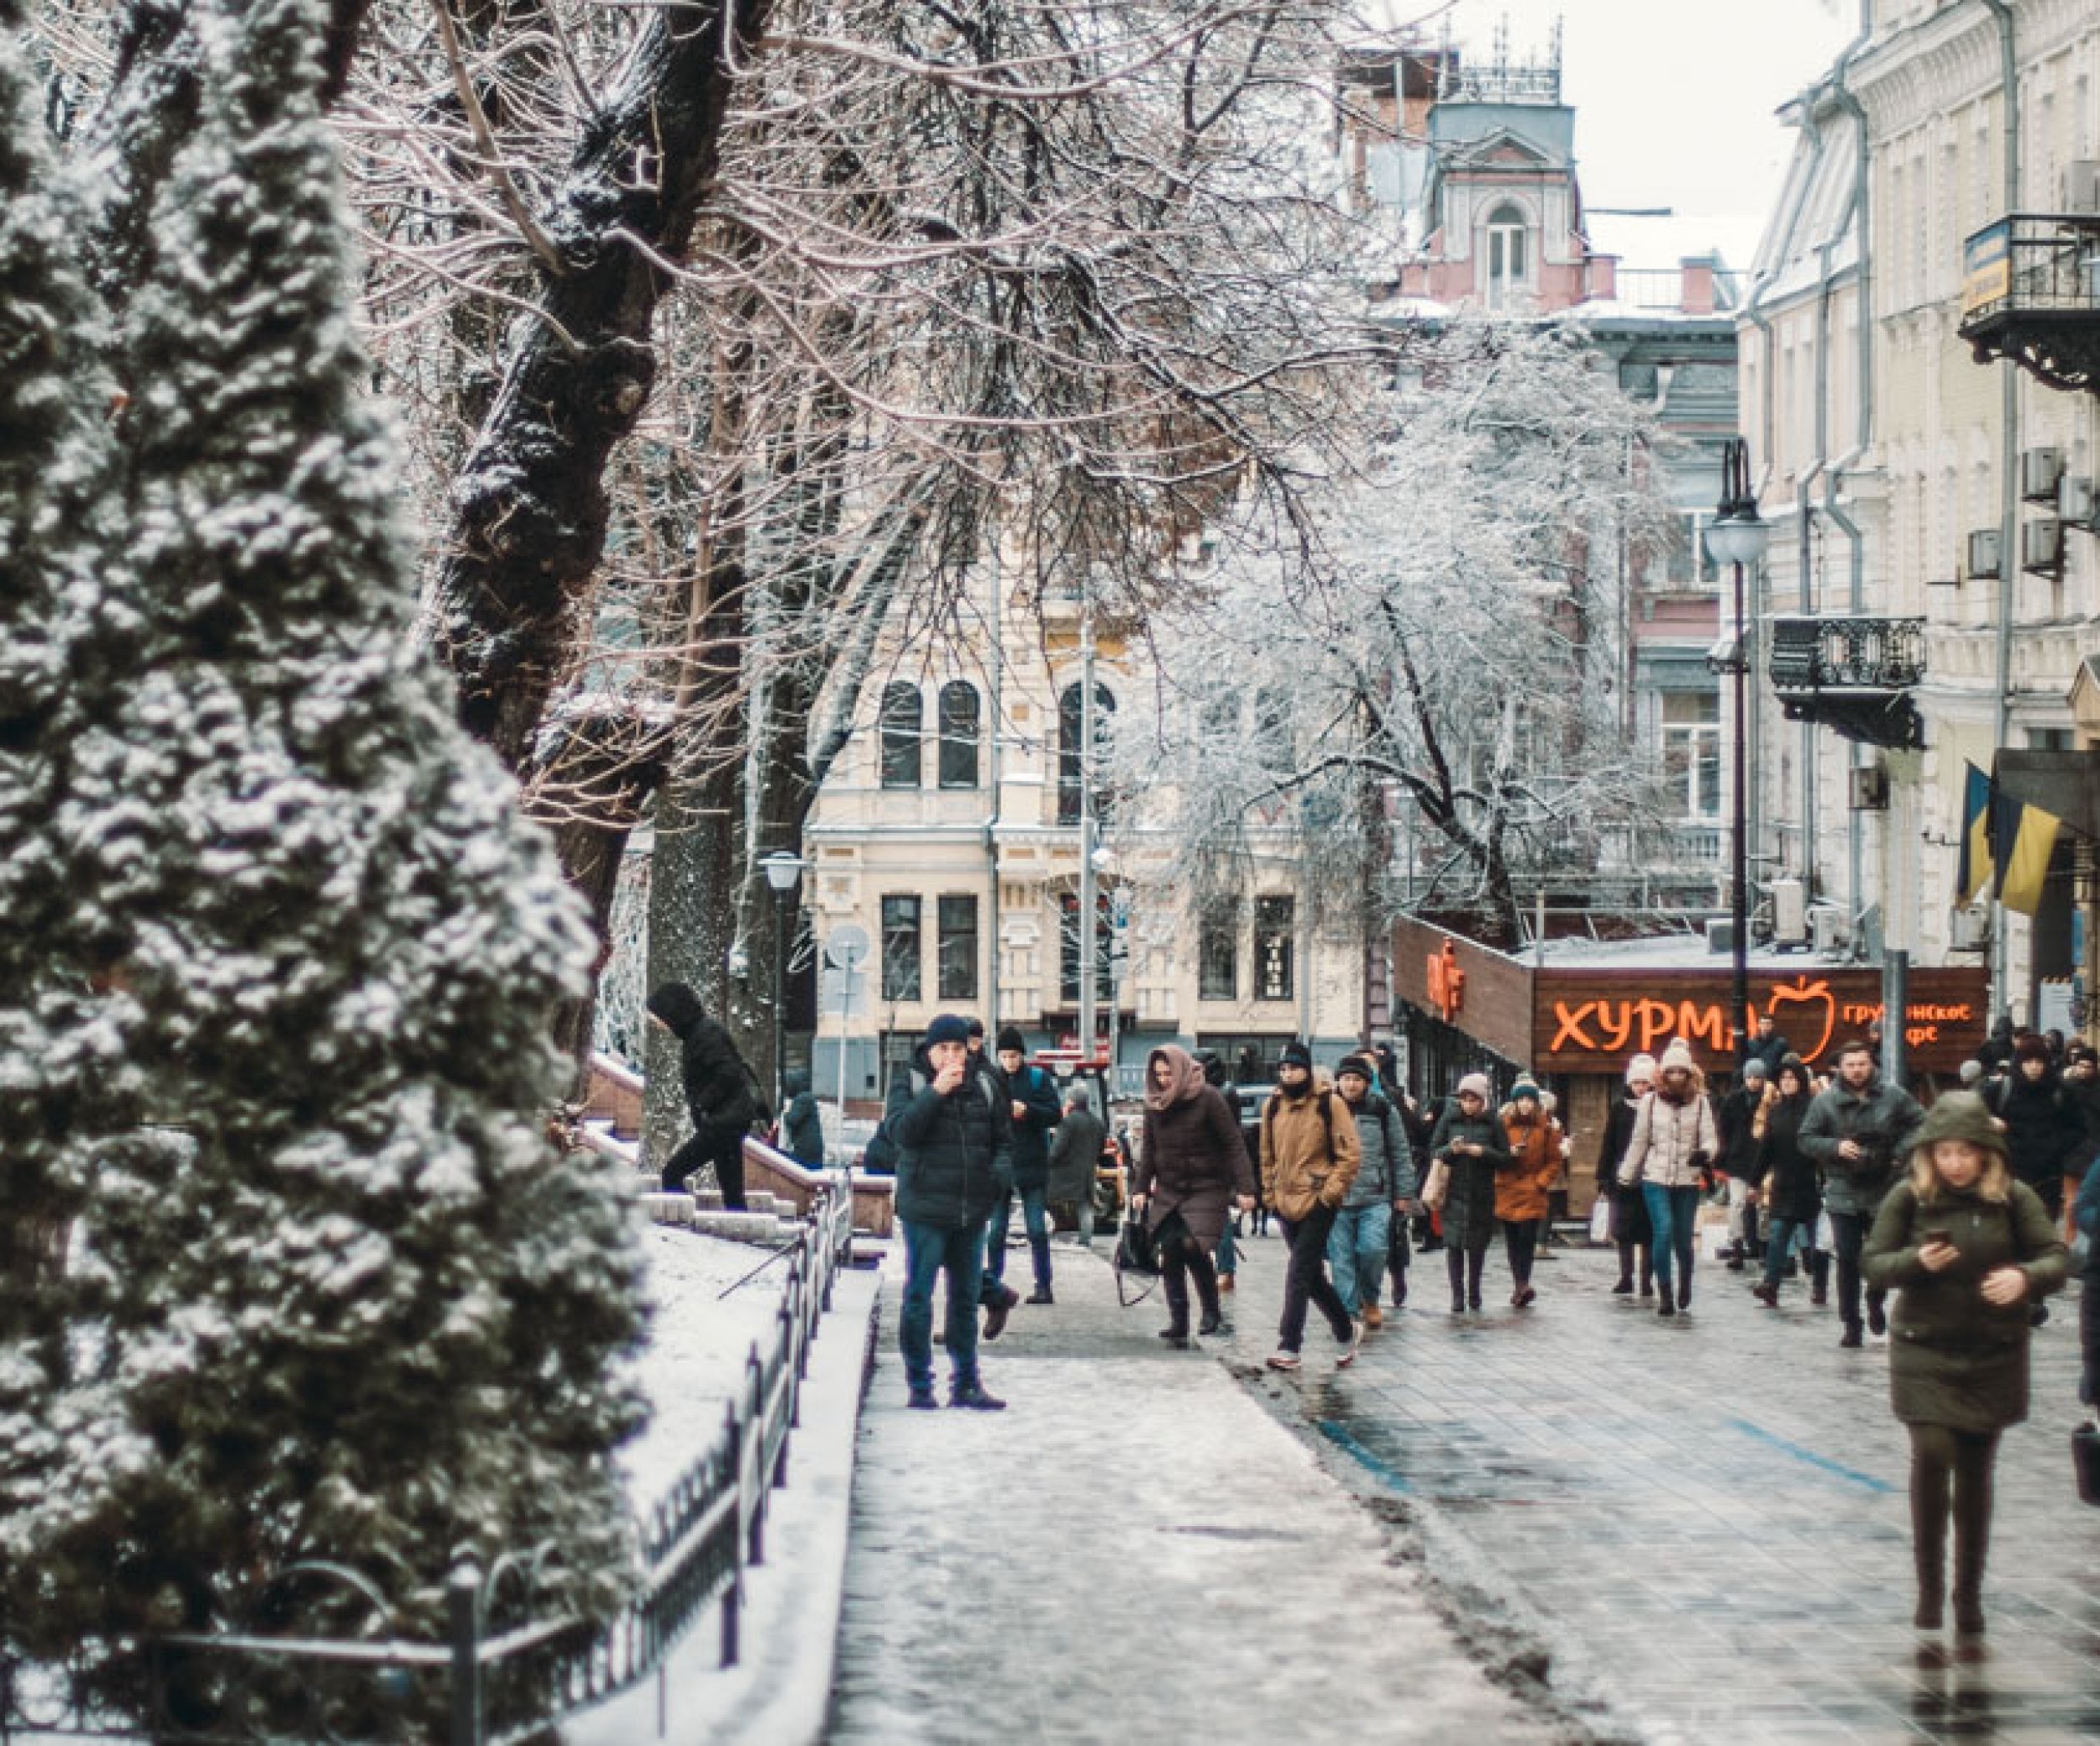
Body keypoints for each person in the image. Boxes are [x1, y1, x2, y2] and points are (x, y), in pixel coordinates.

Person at [1863, 1093, 2067, 1635]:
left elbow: (2055, 1257)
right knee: (1933, 1452)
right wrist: (1916, 1262)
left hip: (1992, 1351)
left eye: (1964, 1152)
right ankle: (1929, 1587)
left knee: (1976, 1469)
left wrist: (2025, 1278)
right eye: (1944, 1153)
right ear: (1929, 1154)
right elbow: (1873, 1263)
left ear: (1985, 1153)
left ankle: (1967, 1592)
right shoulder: (1910, 1198)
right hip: (1924, 1348)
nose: (1953, 1163)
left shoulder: (2013, 1199)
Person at [888, 1013, 1014, 1411]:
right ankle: (919, 1384)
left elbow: (1003, 1141)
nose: (951, 1057)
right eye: (943, 1049)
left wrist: (995, 1180)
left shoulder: (986, 1082)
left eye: (958, 1048)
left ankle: (966, 1382)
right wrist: (934, 1093)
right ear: (929, 1050)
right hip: (925, 1207)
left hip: (971, 1207)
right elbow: (901, 1133)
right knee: (918, 1297)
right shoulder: (909, 1081)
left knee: (965, 1297)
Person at [1800, 1037, 1924, 1348]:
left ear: (1872, 1064)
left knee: (1881, 1254)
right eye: (1851, 1065)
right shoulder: (1825, 1101)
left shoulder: (1893, 1096)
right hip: (1843, 1188)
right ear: (1841, 1068)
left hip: (1884, 1187)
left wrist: (1899, 1152)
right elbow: (1806, 1138)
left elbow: (1922, 1122)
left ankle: (1875, 1299)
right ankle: (1850, 1322)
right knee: (1847, 1258)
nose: (1857, 1071)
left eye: (1862, 1064)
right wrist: (1835, 1147)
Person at [1133, 1045, 1254, 1347]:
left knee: (1192, 1245)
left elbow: (1233, 1144)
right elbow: (1149, 1150)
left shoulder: (1209, 1097)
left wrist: (1246, 1188)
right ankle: (1178, 1320)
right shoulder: (1155, 1103)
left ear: (1182, 1069)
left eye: (1168, 1074)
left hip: (1207, 1185)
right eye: (1158, 1075)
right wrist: (1140, 1188)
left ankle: (1211, 1312)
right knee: (1170, 1249)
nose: (1163, 1081)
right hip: (1171, 1187)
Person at [1259, 1040, 1363, 1371]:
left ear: (1307, 1069)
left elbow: (1349, 1155)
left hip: (1318, 1200)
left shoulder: (1329, 1104)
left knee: (1298, 1272)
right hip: (1286, 1199)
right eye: (1284, 1069)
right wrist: (1269, 1194)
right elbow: (1265, 1154)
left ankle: (1289, 1346)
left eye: (1295, 1068)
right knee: (1312, 1277)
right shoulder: (1272, 1106)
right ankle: (1346, 1330)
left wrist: (1329, 1194)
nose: (1289, 1075)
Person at [1616, 1038, 1718, 1319]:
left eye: (1680, 1072)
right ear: (1663, 1074)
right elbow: (1639, 1140)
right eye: (1670, 1071)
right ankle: (1664, 1291)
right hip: (1655, 1177)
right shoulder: (1649, 1102)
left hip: (1687, 1179)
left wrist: (1705, 1153)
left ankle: (1685, 1280)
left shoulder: (1700, 1103)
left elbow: (1710, 1138)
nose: (1675, 1077)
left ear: (1688, 1074)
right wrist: (1625, 1175)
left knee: (1683, 1239)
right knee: (1663, 1229)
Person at [645, 981, 764, 1208]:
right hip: (729, 1119)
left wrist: (703, 1102)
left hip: (724, 1122)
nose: (658, 1024)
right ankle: (737, 1228)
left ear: (673, 1012)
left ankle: (683, 1228)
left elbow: (729, 1072)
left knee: (672, 1173)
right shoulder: (698, 1034)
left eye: (659, 1017)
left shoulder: (705, 1034)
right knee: (731, 1190)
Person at [1329, 1054, 1416, 1330]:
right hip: (1337, 1197)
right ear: (1338, 1082)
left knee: (1373, 1250)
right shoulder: (1326, 1109)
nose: (1351, 1085)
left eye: (1357, 1079)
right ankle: (1348, 1312)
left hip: (1375, 1196)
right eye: (1346, 1079)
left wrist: (1403, 1194)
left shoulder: (1382, 1110)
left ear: (1367, 1083)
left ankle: (1370, 1298)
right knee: (1340, 1258)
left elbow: (1400, 1153)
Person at [983, 1027, 1063, 1307]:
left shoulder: (1038, 1079)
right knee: (996, 1231)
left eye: (1014, 1056)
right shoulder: (991, 1080)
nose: (1009, 1062)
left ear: (1022, 1055)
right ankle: (992, 1284)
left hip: (1032, 1163)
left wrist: (1027, 1111)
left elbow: (1055, 1114)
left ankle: (1043, 1285)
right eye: (1004, 1056)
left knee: (1037, 1229)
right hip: (1002, 1164)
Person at [1427, 1072, 1509, 1313]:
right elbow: (1434, 1150)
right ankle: (1457, 1296)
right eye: (1464, 1099)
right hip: (1452, 1190)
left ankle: (1474, 1294)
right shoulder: (1449, 1119)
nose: (1469, 1105)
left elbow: (1505, 1157)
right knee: (1453, 1245)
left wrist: (1482, 1152)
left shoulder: (1493, 1122)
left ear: (1483, 1101)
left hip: (1481, 1192)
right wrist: (1451, 1150)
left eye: (1474, 1100)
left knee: (1476, 1247)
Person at [1751, 1055, 1825, 1307]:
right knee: (1778, 1234)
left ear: (1801, 1081)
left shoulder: (1814, 1108)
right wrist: (1755, 1182)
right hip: (1782, 1182)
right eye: (1783, 1078)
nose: (1787, 1082)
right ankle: (1771, 1285)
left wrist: (1826, 1178)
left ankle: (1820, 1285)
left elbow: (1823, 1146)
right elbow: (1766, 1150)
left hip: (1808, 1182)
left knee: (1815, 1241)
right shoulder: (1775, 1112)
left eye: (1792, 1078)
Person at [1496, 1079, 1561, 1308]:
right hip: (1507, 1188)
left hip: (1532, 1189)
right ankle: (1519, 1285)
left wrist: (1541, 1182)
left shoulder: (1546, 1127)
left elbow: (1554, 1160)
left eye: (1529, 1100)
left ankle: (1524, 1283)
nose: (1525, 1104)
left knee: (1527, 1237)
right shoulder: (1503, 1125)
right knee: (1513, 1240)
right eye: (1521, 1099)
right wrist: (1509, 1154)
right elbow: (1494, 1155)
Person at [1599, 1054, 1657, 1297]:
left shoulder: (1658, 1108)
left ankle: (1647, 1279)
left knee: (1649, 1233)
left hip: (1651, 1176)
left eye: (1645, 1083)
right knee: (1623, 1231)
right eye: (1637, 1083)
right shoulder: (1619, 1109)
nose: (1641, 1088)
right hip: (1622, 1178)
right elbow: (1609, 1144)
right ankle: (1626, 1276)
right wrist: (1603, 1177)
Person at [1715, 1059, 1767, 1270]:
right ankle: (1737, 1247)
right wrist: (1726, 1152)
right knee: (1737, 1204)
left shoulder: (1769, 1100)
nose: (1753, 1082)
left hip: (1762, 1158)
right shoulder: (1733, 1100)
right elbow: (1724, 1129)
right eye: (1750, 1077)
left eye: (1757, 1078)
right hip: (1738, 1159)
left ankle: (1764, 1248)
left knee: (1763, 1206)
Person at [1046, 1082, 1106, 1249]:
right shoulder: (1098, 1123)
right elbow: (1101, 1148)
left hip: (1062, 1174)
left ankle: (1048, 1234)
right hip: (1086, 1172)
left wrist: (1047, 1161)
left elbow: (1057, 1150)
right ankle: (1085, 1240)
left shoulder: (1068, 1122)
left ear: (1071, 1102)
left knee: (1045, 1200)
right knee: (1085, 1206)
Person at [780, 1068, 824, 1168]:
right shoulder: (805, 1097)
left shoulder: (803, 1098)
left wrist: (784, 1115)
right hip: (807, 1148)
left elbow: (792, 1120)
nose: (787, 1089)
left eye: (788, 1085)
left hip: (806, 1149)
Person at [1744, 1012, 1792, 1077]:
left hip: (1775, 1079)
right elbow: (1748, 1064)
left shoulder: (1781, 1043)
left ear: (1772, 1025)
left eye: (1768, 1024)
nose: (1765, 1026)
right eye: (1763, 1023)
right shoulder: (1751, 1044)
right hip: (1756, 1079)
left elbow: (1786, 1062)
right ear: (1759, 1025)